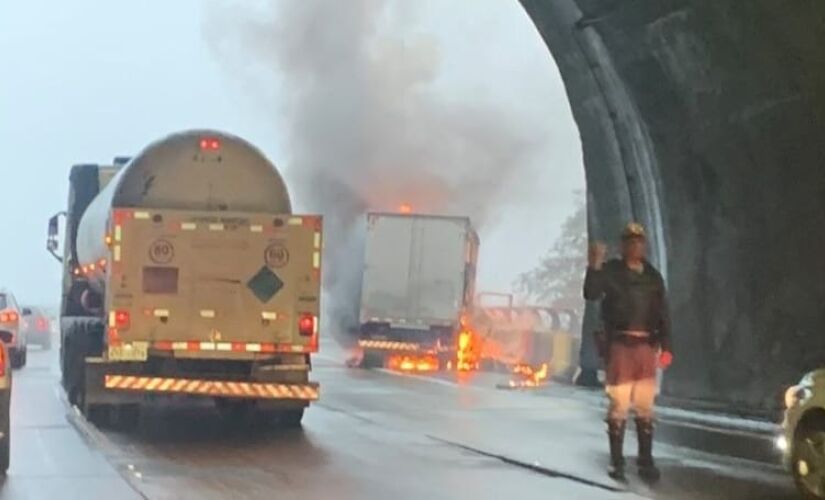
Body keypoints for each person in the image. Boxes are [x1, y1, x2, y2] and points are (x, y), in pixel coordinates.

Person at [583, 222, 673, 481]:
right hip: (620, 346)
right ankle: (617, 461)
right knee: (619, 405)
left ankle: (646, 460)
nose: (635, 246)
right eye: (630, 241)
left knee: (645, 406)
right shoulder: (611, 271)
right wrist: (594, 265)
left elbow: (663, 314)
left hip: (645, 346)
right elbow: (591, 293)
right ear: (623, 245)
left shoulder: (653, 277)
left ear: (644, 245)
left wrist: (667, 347)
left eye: (639, 241)